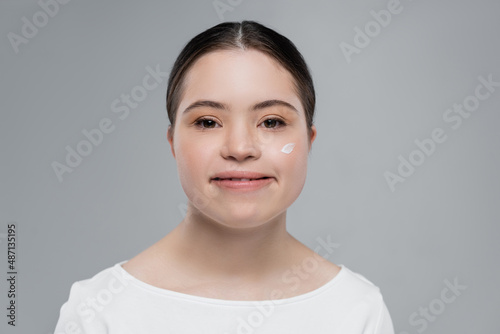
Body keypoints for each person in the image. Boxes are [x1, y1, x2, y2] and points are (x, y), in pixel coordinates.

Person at [54, 20, 394, 334]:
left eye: (272, 122)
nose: (240, 147)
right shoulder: (98, 312)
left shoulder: (357, 311)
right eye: (207, 122)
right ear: (173, 142)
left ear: (308, 140)